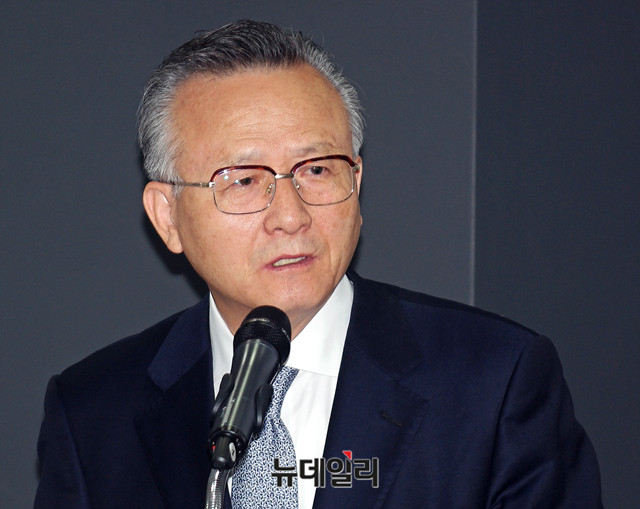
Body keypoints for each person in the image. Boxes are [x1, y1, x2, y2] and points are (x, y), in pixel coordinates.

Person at [34, 20, 603, 508]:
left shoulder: (494, 384)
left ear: (357, 180)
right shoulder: (94, 413)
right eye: (244, 180)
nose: (290, 216)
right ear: (168, 217)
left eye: (316, 170)